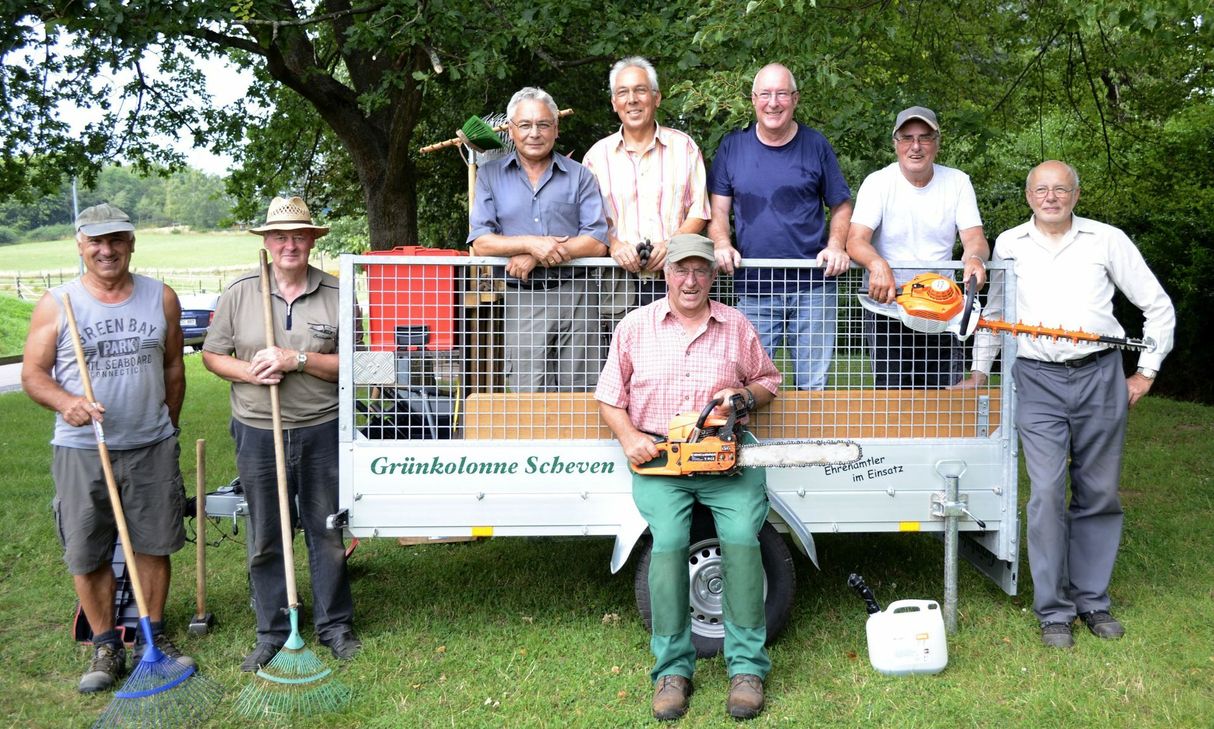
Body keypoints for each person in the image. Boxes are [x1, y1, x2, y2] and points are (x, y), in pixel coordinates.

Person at [957, 161, 1175, 648]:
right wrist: (978, 373)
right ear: (1029, 196)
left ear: (1076, 194)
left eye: (1060, 189)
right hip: (1036, 380)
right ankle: (1053, 609)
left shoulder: (1106, 240)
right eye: (1041, 189)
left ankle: (1092, 600)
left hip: (1100, 374)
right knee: (1048, 492)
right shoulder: (1011, 244)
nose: (1050, 197)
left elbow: (1157, 305)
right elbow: (994, 313)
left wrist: (1147, 372)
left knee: (1098, 493)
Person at [596, 234, 781, 721]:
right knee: (671, 542)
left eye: (701, 270)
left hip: (724, 456)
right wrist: (628, 436)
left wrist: (740, 398)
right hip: (661, 458)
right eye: (682, 269)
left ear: (712, 276)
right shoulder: (636, 327)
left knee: (742, 538)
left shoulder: (735, 325)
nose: (691, 280)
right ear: (666, 274)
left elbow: (768, 381)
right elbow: (609, 399)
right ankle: (672, 670)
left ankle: (747, 670)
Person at [22, 202, 191, 693]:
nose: (106, 249)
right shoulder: (59, 303)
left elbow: (175, 366)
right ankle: (104, 645)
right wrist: (65, 401)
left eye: (116, 239)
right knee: (87, 548)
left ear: (131, 243)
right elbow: (33, 374)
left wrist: (168, 423)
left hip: (150, 444)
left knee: (154, 542)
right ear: (80, 246)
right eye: (95, 241)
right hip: (81, 448)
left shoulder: (161, 298)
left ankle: (151, 636)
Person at [201, 196, 360, 670]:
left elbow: (361, 365)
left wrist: (299, 360)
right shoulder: (240, 293)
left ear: (312, 240)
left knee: (327, 532)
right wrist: (251, 372)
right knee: (266, 534)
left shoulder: (336, 291)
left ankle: (335, 626)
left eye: (298, 235)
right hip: (257, 429)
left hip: (321, 429)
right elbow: (213, 355)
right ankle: (272, 629)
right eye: (279, 236)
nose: (289, 244)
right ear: (267, 243)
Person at [707, 62, 852, 391]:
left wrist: (836, 245)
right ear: (754, 99)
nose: (774, 102)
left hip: (813, 288)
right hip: (755, 288)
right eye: (766, 94)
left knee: (812, 387)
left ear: (795, 99)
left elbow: (841, 205)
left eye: (782, 94)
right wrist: (721, 244)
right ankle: (755, 446)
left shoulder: (816, 146)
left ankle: (810, 444)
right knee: (751, 386)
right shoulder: (733, 147)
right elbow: (717, 212)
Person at [468, 86, 609, 392]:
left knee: (583, 390)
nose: (534, 133)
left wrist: (537, 255)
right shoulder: (489, 175)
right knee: (527, 392)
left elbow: (596, 241)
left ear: (556, 129)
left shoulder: (580, 176)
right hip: (523, 296)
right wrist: (530, 243)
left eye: (543, 124)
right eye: (525, 125)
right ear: (511, 129)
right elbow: (481, 241)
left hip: (578, 295)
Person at [845, 105, 989, 388]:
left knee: (944, 402)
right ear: (895, 143)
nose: (916, 146)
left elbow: (975, 239)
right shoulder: (877, 183)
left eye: (924, 137)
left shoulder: (958, 182)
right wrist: (877, 264)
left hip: (942, 309)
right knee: (892, 401)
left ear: (937, 142)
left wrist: (974, 259)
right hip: (889, 308)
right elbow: (855, 240)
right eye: (907, 138)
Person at [583, 56, 710, 311]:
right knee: (621, 349)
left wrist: (671, 246)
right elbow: (586, 220)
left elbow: (700, 212)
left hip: (675, 279)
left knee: (675, 350)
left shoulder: (684, 148)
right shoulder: (596, 157)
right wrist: (614, 245)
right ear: (614, 103)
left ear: (656, 98)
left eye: (640, 90)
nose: (632, 99)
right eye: (623, 92)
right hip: (617, 282)